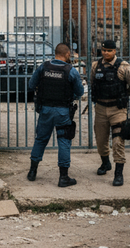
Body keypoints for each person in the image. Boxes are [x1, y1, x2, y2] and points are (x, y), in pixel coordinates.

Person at [26, 43, 85, 187]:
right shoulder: (71, 71)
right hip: (63, 111)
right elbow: (80, 92)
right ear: (67, 54)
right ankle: (63, 177)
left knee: (40, 139)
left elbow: (31, 85)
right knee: (64, 141)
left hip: (45, 110)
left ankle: (32, 172)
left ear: (55, 53)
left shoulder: (43, 67)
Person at [90, 39, 130, 186]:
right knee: (100, 141)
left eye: (109, 51)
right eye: (104, 50)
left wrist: (122, 95)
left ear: (114, 51)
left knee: (118, 142)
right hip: (100, 108)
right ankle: (105, 163)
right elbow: (93, 83)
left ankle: (118, 174)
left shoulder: (124, 66)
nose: (106, 53)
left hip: (117, 110)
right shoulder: (95, 66)